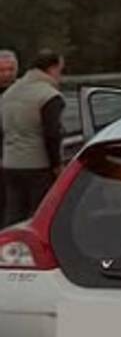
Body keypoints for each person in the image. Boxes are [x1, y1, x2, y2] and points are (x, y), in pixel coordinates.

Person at [1, 50, 65, 226]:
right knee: (38, 217)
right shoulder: (49, 96)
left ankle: (7, 248)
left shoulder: (9, 93)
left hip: (10, 165)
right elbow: (52, 134)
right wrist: (57, 165)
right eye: (60, 69)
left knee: (13, 213)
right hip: (38, 166)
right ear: (52, 69)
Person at [0, 50, 18, 227]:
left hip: (16, 160)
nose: (6, 74)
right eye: (2, 70)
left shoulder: (23, 94)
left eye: (10, 69)